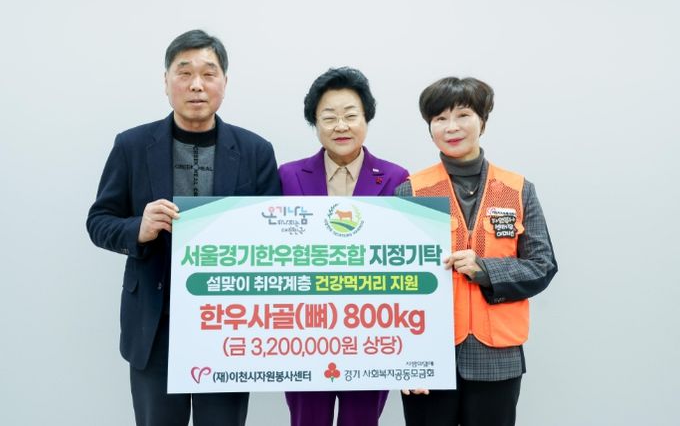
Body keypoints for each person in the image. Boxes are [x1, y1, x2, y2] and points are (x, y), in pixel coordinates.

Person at [86, 29, 281, 426]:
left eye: (208, 73)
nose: (196, 84)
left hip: (228, 325)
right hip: (154, 325)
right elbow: (99, 221)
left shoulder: (256, 151)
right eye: (184, 72)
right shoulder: (131, 146)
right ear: (166, 81)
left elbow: (274, 234)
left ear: (225, 82)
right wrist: (138, 228)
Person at [397, 77, 557, 426]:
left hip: (496, 356)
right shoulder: (412, 191)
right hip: (429, 355)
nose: (451, 127)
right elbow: (396, 284)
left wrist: (485, 270)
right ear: (430, 128)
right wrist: (406, 362)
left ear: (482, 121)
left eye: (463, 115)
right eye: (440, 118)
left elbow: (543, 265)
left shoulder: (517, 189)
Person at [278, 67, 409, 426]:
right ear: (315, 123)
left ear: (366, 119)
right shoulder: (287, 176)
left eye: (351, 116)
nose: (341, 126)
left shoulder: (396, 178)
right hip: (304, 331)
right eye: (329, 117)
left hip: (370, 331)